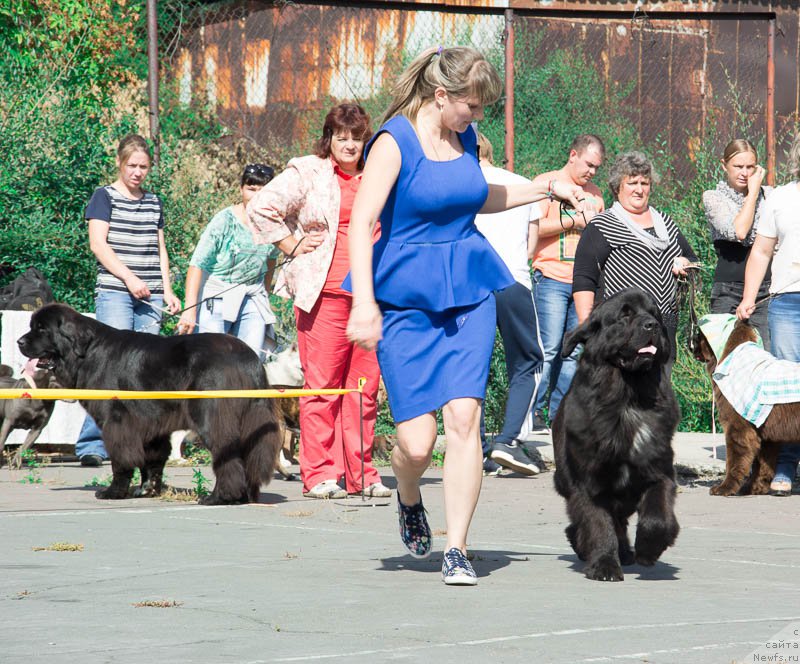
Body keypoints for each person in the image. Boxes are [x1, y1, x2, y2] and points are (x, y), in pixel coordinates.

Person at [345, 46, 583, 586]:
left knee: (465, 419)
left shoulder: (466, 139)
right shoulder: (392, 142)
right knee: (415, 443)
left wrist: (546, 186)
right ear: (442, 96)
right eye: (472, 107)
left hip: (469, 289)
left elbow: (478, 195)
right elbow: (362, 223)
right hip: (404, 299)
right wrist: (363, 301)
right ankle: (409, 495)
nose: (478, 118)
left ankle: (457, 548)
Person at [248, 103, 391, 500]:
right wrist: (292, 244)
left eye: (357, 137)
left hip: (371, 295)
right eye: (340, 137)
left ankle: (361, 473)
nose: (348, 144)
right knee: (323, 386)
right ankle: (320, 473)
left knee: (362, 388)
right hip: (324, 293)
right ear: (328, 139)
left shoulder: (378, 175)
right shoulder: (309, 171)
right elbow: (261, 207)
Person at [75, 134, 181, 467]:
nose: (137, 172)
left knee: (144, 370)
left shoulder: (153, 202)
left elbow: (159, 248)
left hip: (150, 295)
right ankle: (92, 443)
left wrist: (168, 290)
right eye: (132, 165)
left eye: (143, 167)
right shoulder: (103, 197)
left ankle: (140, 441)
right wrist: (129, 278)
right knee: (108, 368)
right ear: (120, 163)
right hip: (117, 291)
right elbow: (98, 245)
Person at [572, 151, 698, 361]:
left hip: (662, 328)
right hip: (622, 331)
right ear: (617, 186)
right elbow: (584, 278)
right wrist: (588, 327)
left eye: (645, 183)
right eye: (632, 183)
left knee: (659, 391)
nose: (639, 190)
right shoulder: (602, 226)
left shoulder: (666, 223)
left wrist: (685, 263)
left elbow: (692, 259)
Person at [473, 133, 545, 477]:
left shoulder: (457, 185)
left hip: (471, 285)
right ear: (489, 152)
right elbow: (530, 247)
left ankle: (475, 447)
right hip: (512, 280)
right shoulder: (522, 185)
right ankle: (508, 440)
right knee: (529, 360)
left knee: (474, 368)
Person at [527, 135, 606, 434]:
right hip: (550, 276)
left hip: (584, 284)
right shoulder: (546, 184)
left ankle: (559, 415)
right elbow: (534, 228)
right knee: (547, 348)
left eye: (597, 167)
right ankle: (531, 413)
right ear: (573, 155)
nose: (592, 172)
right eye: (588, 165)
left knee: (573, 351)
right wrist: (572, 222)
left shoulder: (596, 194)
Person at [736, 132, 800, 497]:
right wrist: (748, 298)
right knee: (790, 390)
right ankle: (786, 466)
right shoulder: (781, 198)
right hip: (788, 301)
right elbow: (760, 252)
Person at [176, 164, 277, 358]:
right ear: (241, 189)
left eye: (262, 190)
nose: (256, 195)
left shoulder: (273, 224)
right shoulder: (224, 221)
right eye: (251, 189)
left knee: (250, 358)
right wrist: (189, 309)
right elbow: (197, 264)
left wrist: (264, 293)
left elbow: (271, 259)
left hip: (251, 294)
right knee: (213, 357)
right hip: (218, 294)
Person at [703, 139, 772, 349]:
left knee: (764, 356)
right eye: (738, 166)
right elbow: (739, 231)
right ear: (724, 165)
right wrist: (752, 194)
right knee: (725, 358)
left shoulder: (769, 196)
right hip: (727, 290)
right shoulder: (713, 198)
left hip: (765, 289)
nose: (744, 173)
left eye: (750, 167)